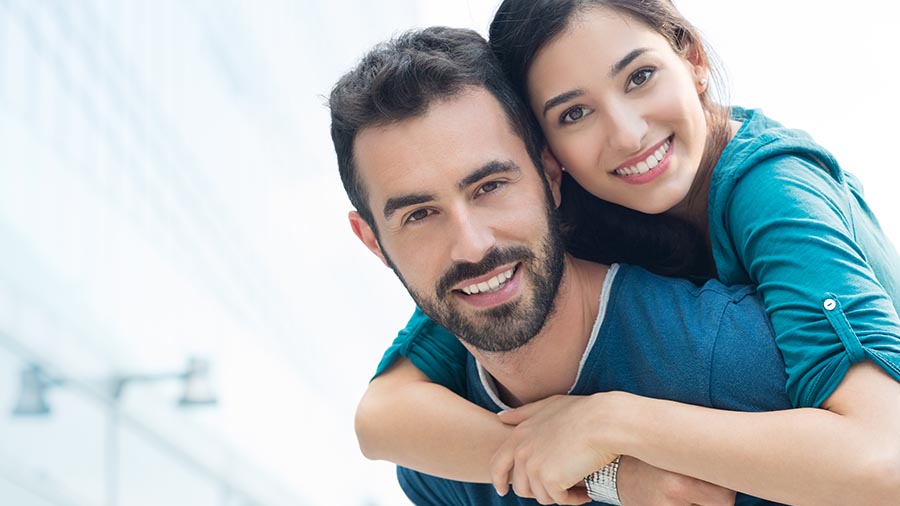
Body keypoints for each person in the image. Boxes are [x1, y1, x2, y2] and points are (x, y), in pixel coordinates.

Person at [348, 1, 900, 505]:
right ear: (548, 154)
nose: (628, 133)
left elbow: (885, 458)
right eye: (573, 113)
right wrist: (611, 473)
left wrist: (611, 422)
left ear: (692, 57)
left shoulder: (775, 189)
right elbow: (383, 416)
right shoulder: (547, 218)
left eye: (640, 77)